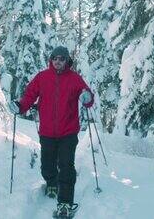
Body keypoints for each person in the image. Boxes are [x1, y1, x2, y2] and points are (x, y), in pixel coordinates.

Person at [9, 46, 93, 218]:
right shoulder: (42, 77)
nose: (58, 61)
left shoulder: (75, 78)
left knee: (66, 165)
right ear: (51, 59)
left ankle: (65, 203)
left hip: (68, 132)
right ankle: (52, 183)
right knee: (47, 164)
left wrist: (87, 97)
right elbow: (29, 96)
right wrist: (20, 106)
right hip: (47, 131)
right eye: (55, 58)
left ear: (67, 60)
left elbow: (87, 96)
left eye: (62, 58)